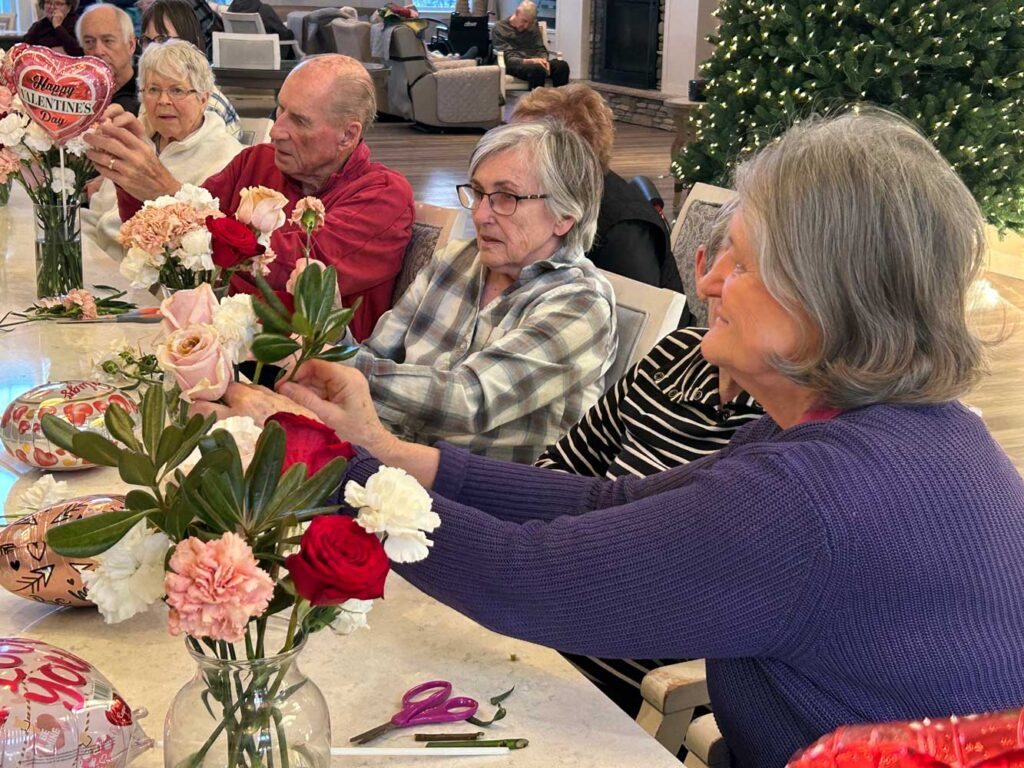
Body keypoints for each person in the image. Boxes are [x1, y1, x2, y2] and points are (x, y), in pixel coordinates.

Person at [203, 108, 1024, 768]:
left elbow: (531, 579)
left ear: (824, 298)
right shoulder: (911, 433)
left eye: (735, 262)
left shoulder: (813, 498)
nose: (705, 282)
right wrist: (378, 452)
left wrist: (320, 459)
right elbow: (608, 498)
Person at [536, 200, 761, 717]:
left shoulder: (790, 431)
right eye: (714, 258)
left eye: (746, 267)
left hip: (639, 706)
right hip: (546, 639)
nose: (706, 285)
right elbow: (562, 470)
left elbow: (689, 584)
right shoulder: (674, 355)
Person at [83, 54, 415, 340]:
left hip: (303, 375)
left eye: (298, 120)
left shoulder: (383, 196)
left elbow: (288, 267)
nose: (276, 129)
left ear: (348, 134)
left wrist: (166, 193)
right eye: (280, 109)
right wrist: (132, 176)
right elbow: (168, 246)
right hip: (216, 349)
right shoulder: (255, 160)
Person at [83, 40, 244, 259]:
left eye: (177, 90)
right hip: (100, 259)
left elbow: (203, 245)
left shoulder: (226, 158)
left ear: (203, 99)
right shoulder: (138, 139)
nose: (163, 100)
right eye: (153, 90)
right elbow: (98, 214)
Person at [512, 84, 680, 291]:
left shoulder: (623, 230)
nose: (507, 151)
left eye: (523, 142)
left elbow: (637, 315)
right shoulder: (535, 198)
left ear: (574, 152)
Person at [139, 0, 241, 137]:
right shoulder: (149, 93)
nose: (151, 51)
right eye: (147, 41)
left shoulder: (206, 107)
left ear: (193, 45)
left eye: (162, 40)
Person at [76, 5, 139, 115]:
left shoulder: (148, 93)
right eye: (89, 42)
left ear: (131, 45)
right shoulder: (76, 95)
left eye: (108, 41)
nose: (98, 51)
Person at [491, 0, 569, 90]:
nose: (526, 26)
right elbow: (509, 59)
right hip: (515, 64)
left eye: (530, 22)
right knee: (537, 69)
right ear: (517, 13)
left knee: (562, 66)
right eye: (524, 21)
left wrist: (544, 61)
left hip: (536, 62)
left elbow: (540, 49)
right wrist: (532, 61)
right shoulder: (499, 28)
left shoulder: (533, 26)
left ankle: (561, 100)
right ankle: (537, 102)